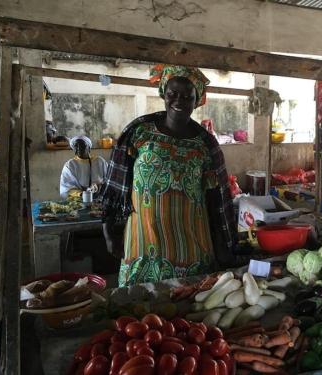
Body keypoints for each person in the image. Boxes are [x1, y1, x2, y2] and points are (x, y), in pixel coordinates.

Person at [101, 64, 237, 286]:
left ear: (197, 100)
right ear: (163, 93)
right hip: (142, 246)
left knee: (188, 312)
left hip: (192, 250)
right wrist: (109, 234)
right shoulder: (139, 132)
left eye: (187, 96)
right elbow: (115, 187)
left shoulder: (205, 144)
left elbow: (217, 200)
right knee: (138, 313)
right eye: (172, 94)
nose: (179, 101)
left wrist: (224, 245)